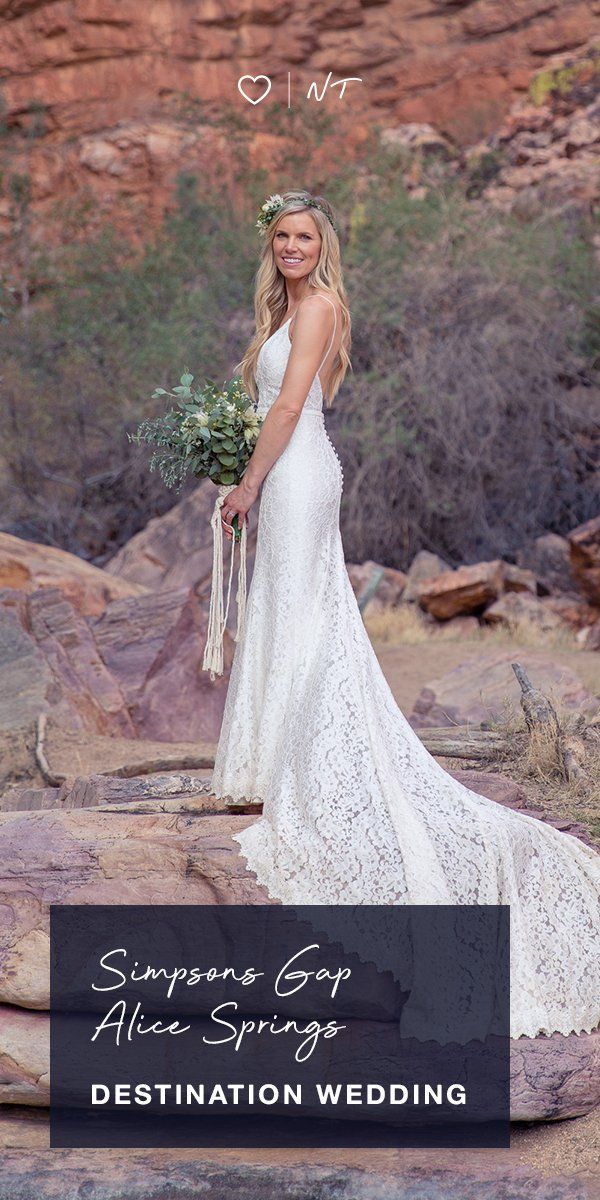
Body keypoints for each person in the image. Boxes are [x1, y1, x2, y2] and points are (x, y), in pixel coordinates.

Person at [209, 189, 600, 1041]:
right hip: (293, 468)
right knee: (289, 605)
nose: (291, 248)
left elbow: (286, 408)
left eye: (305, 236)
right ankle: (278, 754)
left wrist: (249, 480)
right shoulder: (287, 307)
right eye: (281, 236)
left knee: (307, 610)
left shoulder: (321, 306)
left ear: (325, 245)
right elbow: (268, 405)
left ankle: (305, 755)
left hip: (300, 473)